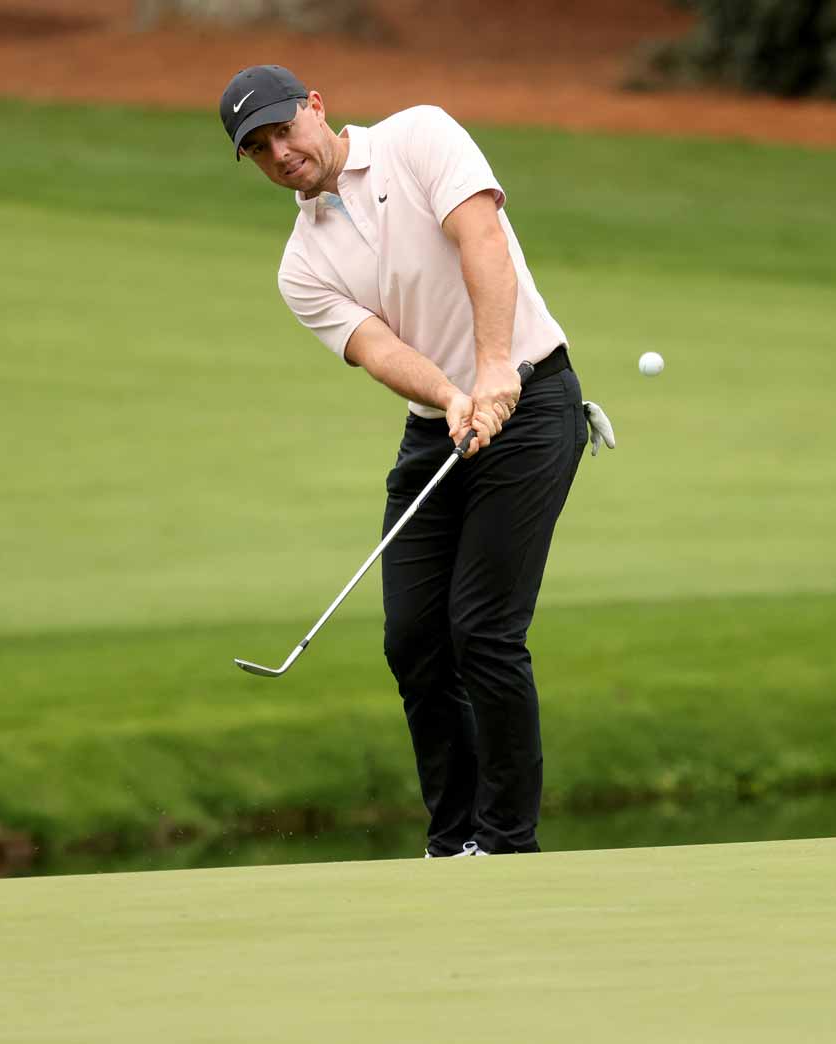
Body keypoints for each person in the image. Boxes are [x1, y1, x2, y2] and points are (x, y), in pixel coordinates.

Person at [220, 65, 613, 857]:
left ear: (317, 107)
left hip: (533, 400)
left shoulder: (420, 136)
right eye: (257, 149)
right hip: (437, 425)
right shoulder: (301, 266)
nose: (279, 153)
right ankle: (452, 838)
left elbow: (482, 240)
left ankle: (507, 845)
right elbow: (377, 348)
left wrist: (494, 366)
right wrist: (451, 392)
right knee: (412, 639)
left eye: (282, 129)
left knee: (483, 630)